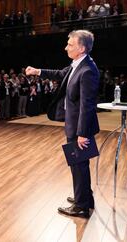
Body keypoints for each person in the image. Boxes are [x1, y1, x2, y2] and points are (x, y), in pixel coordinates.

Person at [25, 30, 100, 218]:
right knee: (78, 164)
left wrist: (82, 133)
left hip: (79, 128)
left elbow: (87, 105)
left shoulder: (87, 70)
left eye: (70, 44)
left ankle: (81, 207)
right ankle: (84, 198)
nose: (66, 47)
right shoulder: (77, 64)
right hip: (74, 125)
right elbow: (60, 74)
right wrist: (37, 71)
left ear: (81, 48)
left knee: (79, 164)